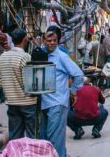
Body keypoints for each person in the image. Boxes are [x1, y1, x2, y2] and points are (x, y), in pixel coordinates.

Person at [41, 26, 84, 157]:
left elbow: (78, 75)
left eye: (54, 40)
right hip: (44, 103)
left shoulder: (61, 56)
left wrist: (73, 92)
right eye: (49, 40)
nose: (52, 43)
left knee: (55, 141)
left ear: (58, 41)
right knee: (47, 140)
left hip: (57, 103)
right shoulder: (41, 54)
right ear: (44, 40)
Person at [0, 29, 36, 141]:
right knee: (31, 137)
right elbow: (27, 83)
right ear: (25, 40)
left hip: (12, 102)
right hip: (28, 103)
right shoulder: (25, 57)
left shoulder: (2, 57)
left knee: (15, 138)